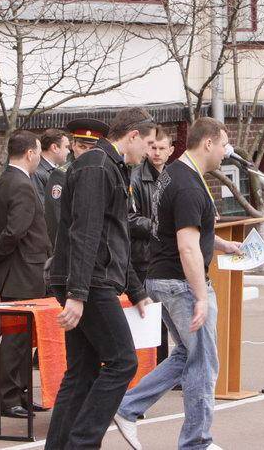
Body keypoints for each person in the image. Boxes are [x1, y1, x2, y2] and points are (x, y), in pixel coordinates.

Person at [115, 117, 242, 450]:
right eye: (223, 144)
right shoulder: (188, 185)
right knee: (204, 361)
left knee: (188, 354)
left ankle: (127, 407)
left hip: (163, 278)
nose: (226, 152)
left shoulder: (174, 173)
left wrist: (221, 244)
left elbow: (184, 230)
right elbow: (186, 246)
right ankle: (196, 442)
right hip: (179, 283)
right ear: (208, 143)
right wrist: (200, 296)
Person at [46, 108, 156, 449]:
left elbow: (114, 236)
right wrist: (77, 294)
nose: (149, 152)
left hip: (90, 278)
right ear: (133, 136)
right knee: (123, 361)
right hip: (90, 281)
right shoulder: (97, 166)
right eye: (148, 144)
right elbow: (86, 232)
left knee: (82, 372)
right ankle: (82, 443)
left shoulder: (110, 166)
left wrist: (136, 290)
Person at [0, 130, 52, 419]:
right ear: (30, 153)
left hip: (17, 269)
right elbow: (15, 229)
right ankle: (10, 397)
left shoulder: (3, 181)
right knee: (16, 338)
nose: (38, 157)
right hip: (23, 270)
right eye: (37, 152)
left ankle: (21, 393)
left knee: (23, 338)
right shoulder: (22, 184)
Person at [128, 125, 175, 362]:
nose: (156, 153)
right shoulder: (135, 177)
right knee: (146, 317)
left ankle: (162, 366)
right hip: (142, 258)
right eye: (153, 147)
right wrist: (158, 227)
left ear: (171, 150)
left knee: (164, 320)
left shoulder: (173, 177)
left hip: (166, 257)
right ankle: (145, 368)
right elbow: (129, 218)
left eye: (162, 148)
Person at [44, 118, 109, 250]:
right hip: (72, 249)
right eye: (82, 147)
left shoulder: (105, 173)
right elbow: (56, 219)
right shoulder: (62, 175)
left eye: (92, 148)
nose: (87, 152)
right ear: (73, 145)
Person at [32, 128, 70, 207]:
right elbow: (41, 207)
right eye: (66, 147)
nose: (69, 151)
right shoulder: (37, 172)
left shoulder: (50, 170)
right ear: (54, 147)